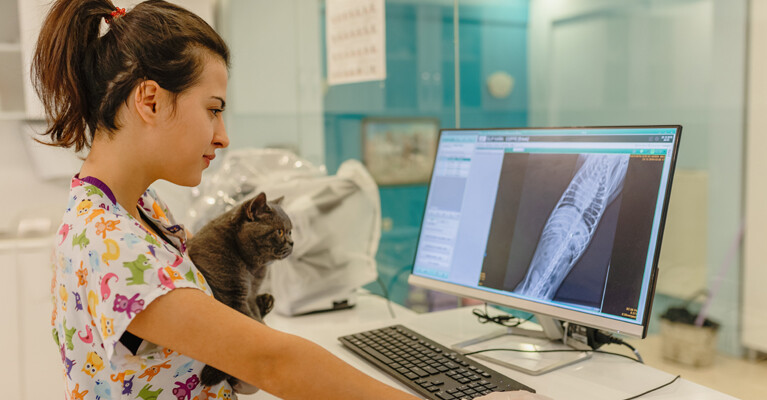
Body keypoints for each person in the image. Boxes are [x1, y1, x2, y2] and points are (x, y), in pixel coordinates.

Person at [34, 1, 545, 399]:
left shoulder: (142, 210)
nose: (223, 136)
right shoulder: (109, 242)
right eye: (213, 110)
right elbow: (270, 363)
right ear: (149, 100)